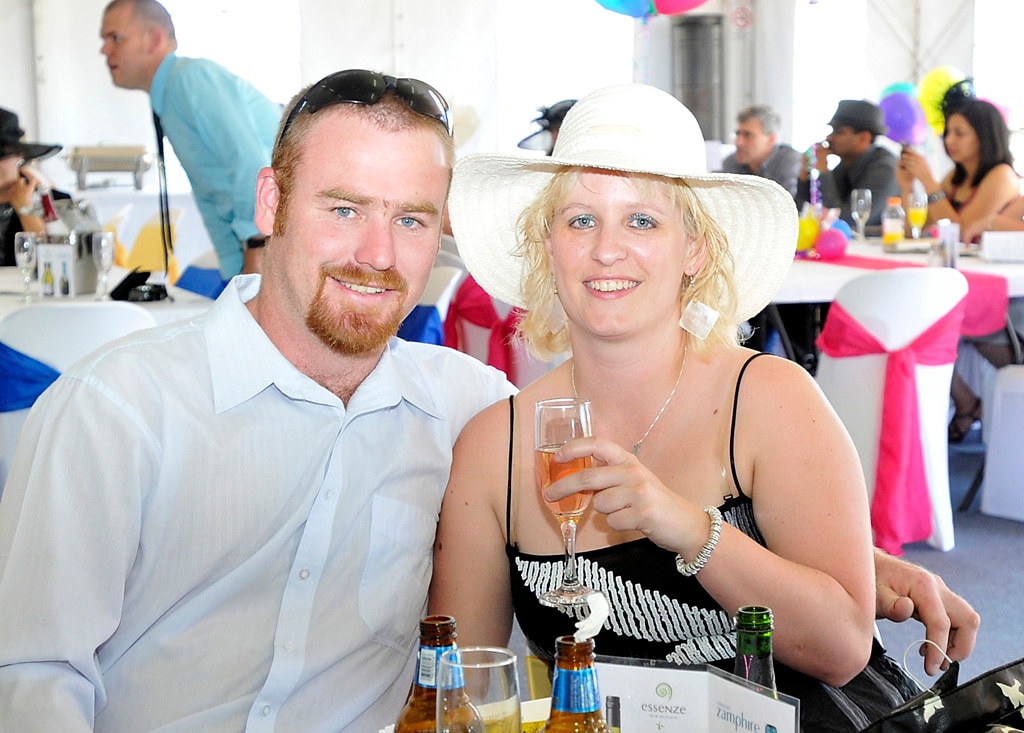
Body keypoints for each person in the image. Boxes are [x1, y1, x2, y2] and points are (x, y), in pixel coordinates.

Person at [0, 69, 514, 732]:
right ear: (271, 202)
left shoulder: (469, 410)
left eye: (410, 218)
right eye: (345, 209)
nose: (377, 254)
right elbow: (34, 674)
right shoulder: (116, 408)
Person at [431, 83, 929, 731]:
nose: (607, 248)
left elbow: (840, 649)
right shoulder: (493, 445)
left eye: (642, 220)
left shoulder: (768, 400)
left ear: (693, 250)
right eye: (581, 219)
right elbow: (464, 686)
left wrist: (689, 527)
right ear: (546, 244)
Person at [99, 0, 282, 289]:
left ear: (154, 39)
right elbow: (210, 196)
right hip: (266, 238)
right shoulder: (170, 97)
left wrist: (256, 246)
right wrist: (231, 274)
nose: (104, 50)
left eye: (115, 38)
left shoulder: (190, 79)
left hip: (277, 237)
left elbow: (251, 163)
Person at [898, 98, 1022, 442]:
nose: (949, 140)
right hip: (965, 282)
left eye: (960, 132)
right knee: (910, 320)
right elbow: (917, 231)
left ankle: (964, 403)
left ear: (984, 136)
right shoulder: (956, 177)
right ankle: (963, 401)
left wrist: (928, 181)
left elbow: (957, 232)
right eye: (948, 132)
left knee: (919, 320)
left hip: (996, 295)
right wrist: (910, 187)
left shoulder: (1000, 176)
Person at [798, 99, 900, 229]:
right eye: (832, 131)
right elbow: (805, 213)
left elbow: (847, 220)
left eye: (839, 132)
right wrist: (804, 175)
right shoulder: (845, 166)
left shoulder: (885, 169)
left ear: (864, 138)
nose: (829, 138)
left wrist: (823, 170)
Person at [0, 107, 66, 266]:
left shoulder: (55, 202)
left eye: (0, 155)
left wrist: (24, 207)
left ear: (19, 155)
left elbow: (59, 264)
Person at [720, 104, 802, 199]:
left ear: (771, 139)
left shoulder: (789, 162)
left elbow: (789, 207)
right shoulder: (731, 162)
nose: (739, 142)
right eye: (738, 134)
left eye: (748, 135)